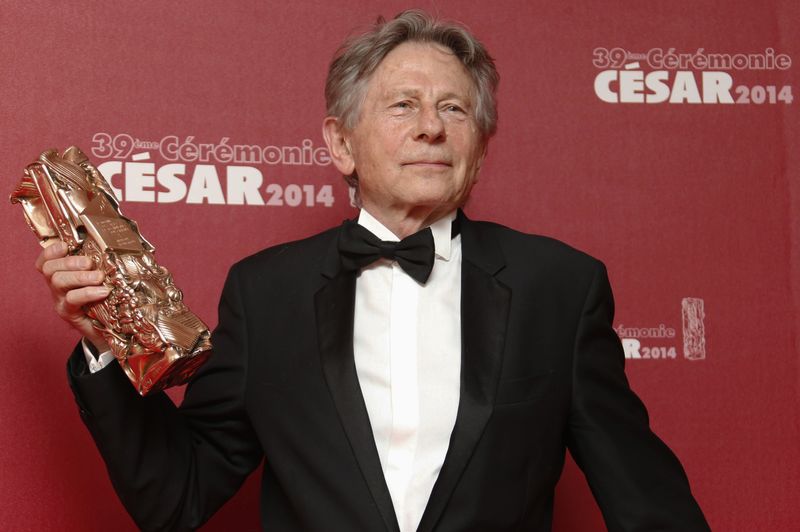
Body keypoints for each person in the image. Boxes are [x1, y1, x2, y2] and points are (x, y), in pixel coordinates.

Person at [36, 9, 710, 532]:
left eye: (454, 108)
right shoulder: (265, 294)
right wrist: (106, 343)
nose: (431, 127)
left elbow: (647, 502)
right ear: (340, 143)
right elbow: (176, 495)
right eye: (402, 105)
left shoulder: (559, 288)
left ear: (481, 142)